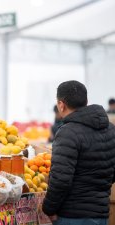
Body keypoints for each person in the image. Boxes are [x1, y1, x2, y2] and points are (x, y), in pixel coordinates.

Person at [42, 80, 115, 225]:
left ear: (61, 105)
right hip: (101, 214)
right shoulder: (110, 128)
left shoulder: (67, 132)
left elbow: (60, 180)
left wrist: (48, 209)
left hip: (72, 216)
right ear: (86, 101)